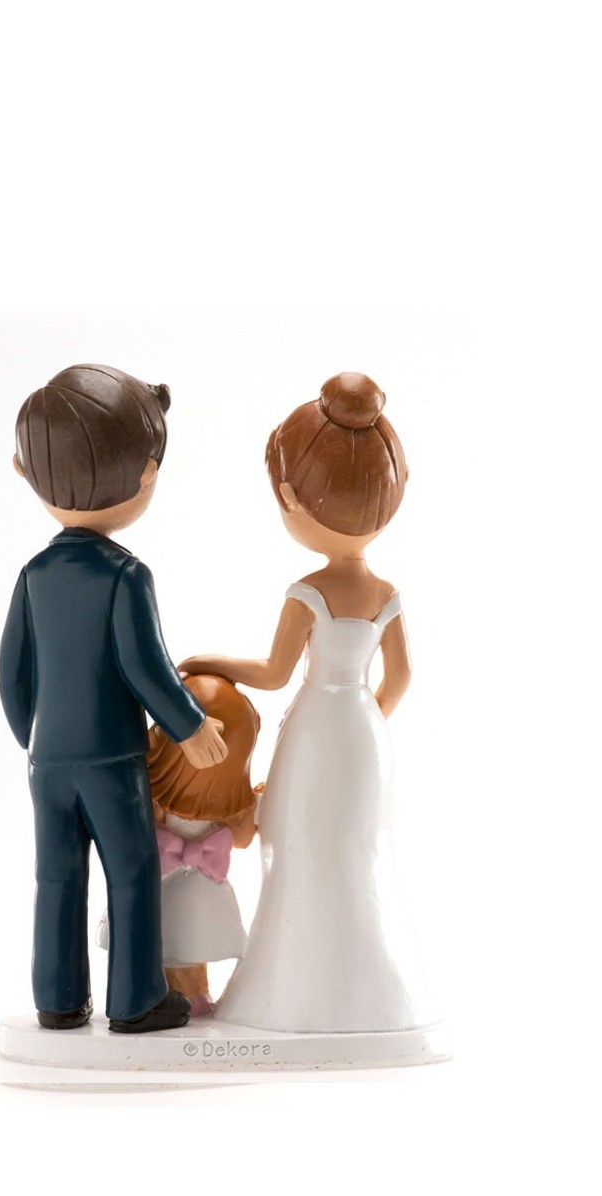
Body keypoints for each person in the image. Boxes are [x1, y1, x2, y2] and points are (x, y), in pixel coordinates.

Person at [181, 373, 436, 1033]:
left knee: (304, 848)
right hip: (360, 733)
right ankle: (367, 994)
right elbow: (401, 676)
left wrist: (211, 663)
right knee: (351, 849)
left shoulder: (307, 592)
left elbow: (273, 674)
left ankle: (296, 990)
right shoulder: (386, 594)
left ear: (291, 498)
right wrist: (366, 721)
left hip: (318, 730)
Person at [0, 365, 227, 1033]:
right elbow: (144, 666)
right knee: (131, 873)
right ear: (147, 474)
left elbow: (11, 674)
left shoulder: (33, 575)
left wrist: (36, 737)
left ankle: (58, 998)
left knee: (56, 879)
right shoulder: (126, 575)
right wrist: (188, 725)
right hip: (111, 760)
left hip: (49, 763)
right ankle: (135, 1000)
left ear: (24, 471)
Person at [97, 675, 261, 1015]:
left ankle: (186, 994)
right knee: (183, 936)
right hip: (182, 883)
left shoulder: (160, 797)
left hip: (174, 883)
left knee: (177, 937)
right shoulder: (221, 805)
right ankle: (188, 995)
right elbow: (243, 836)